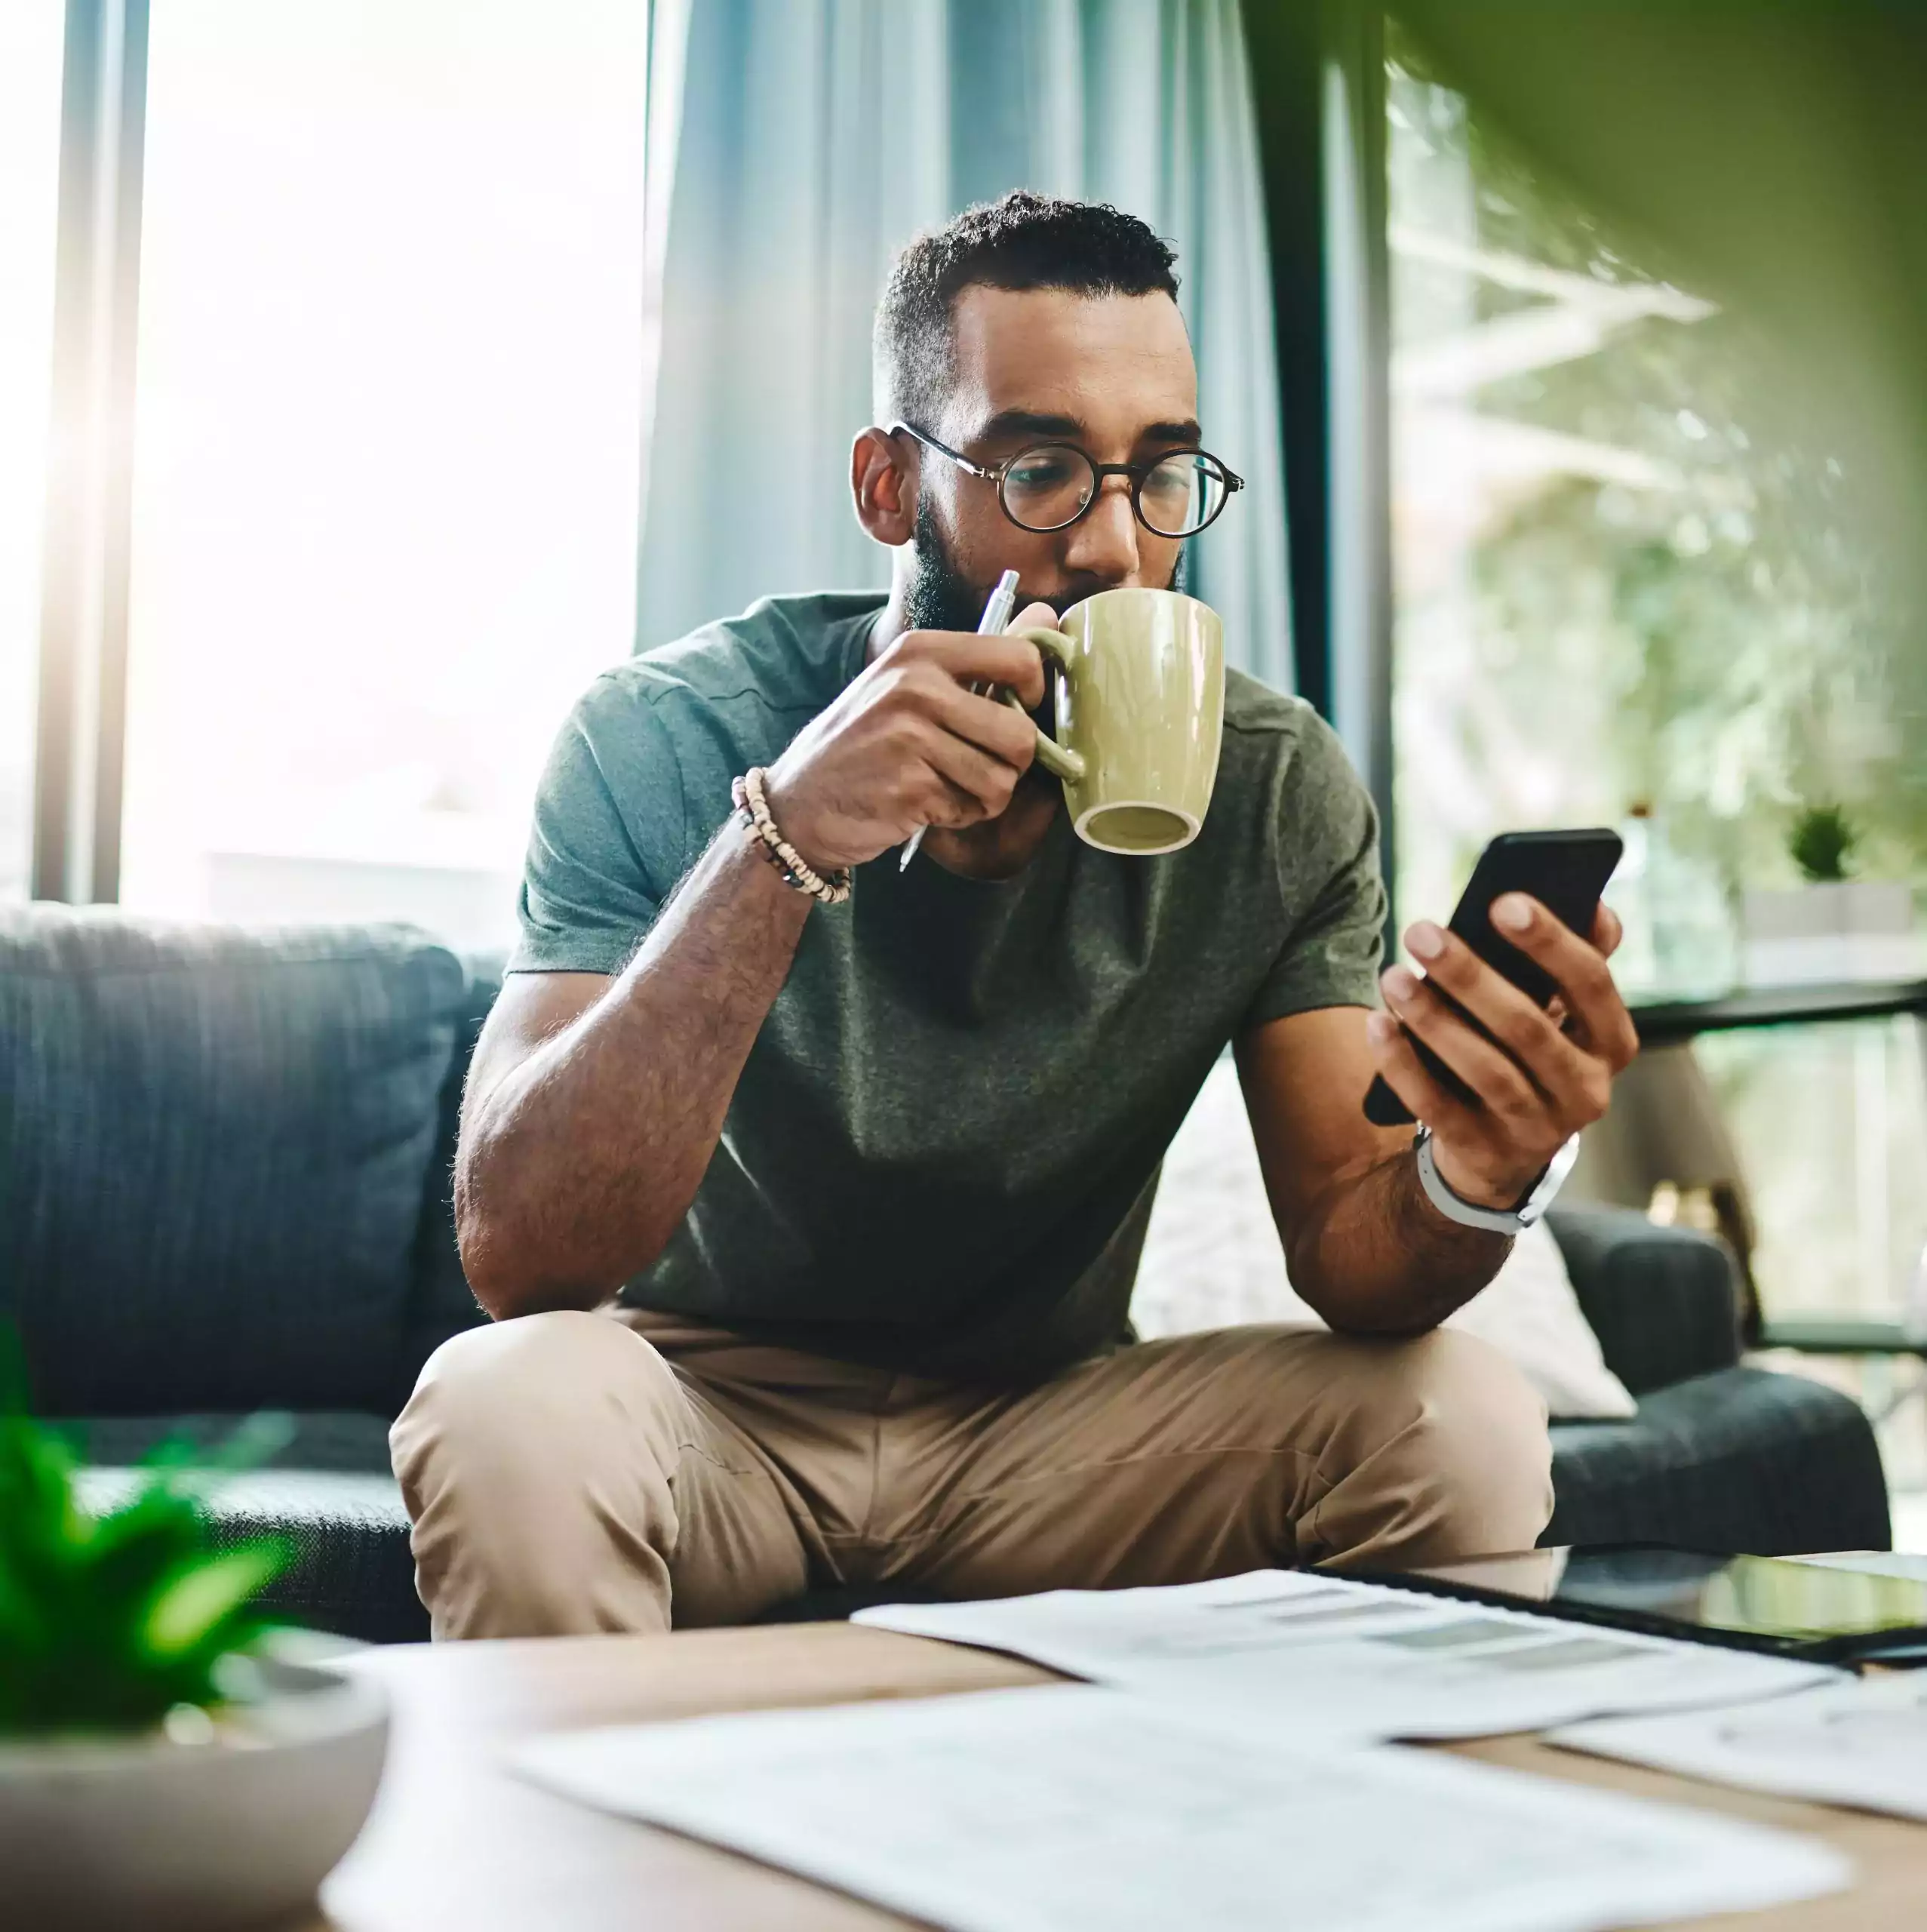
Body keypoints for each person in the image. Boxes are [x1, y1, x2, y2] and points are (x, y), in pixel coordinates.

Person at [391, 192, 1640, 1640]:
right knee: (505, 1406)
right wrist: (778, 844)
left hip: (1050, 1438)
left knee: (1458, 1415)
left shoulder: (1273, 786)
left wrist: (1480, 1168)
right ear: (885, 488)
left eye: (1161, 475)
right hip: (703, 1414)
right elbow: (522, 1258)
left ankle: (1348, 1863)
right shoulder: (661, 735)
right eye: (1040, 467)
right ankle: (598, 1865)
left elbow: (1356, 1267)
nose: (1114, 547)